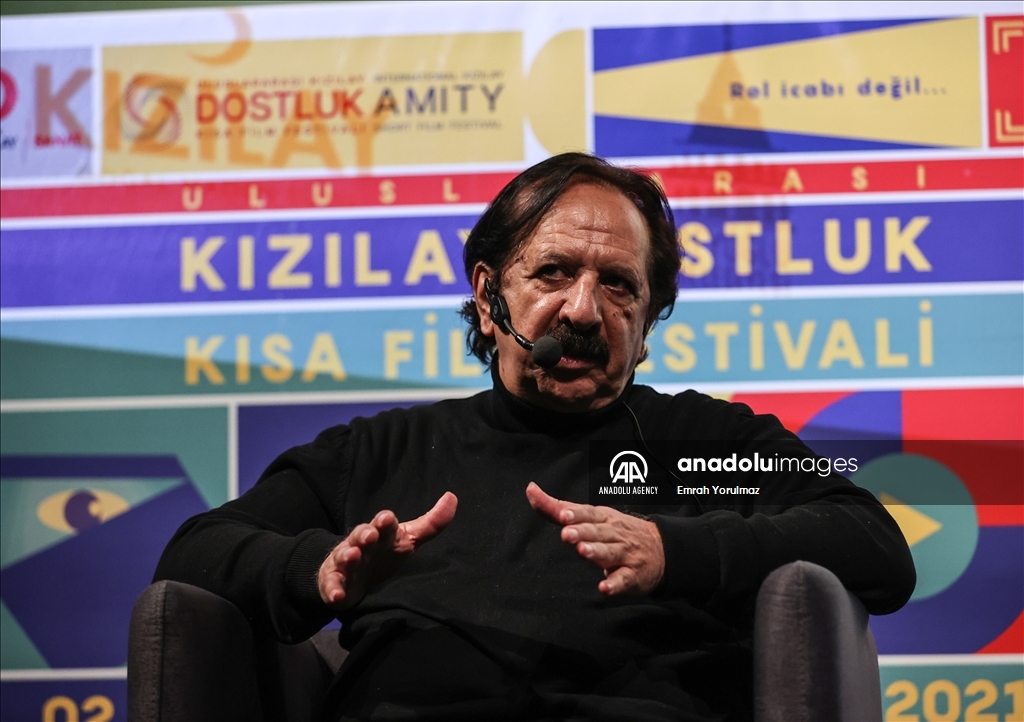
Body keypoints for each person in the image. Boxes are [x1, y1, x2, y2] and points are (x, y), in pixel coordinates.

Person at [155, 153, 915, 721]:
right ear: (490, 298)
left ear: (647, 323)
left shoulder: (701, 443)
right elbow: (194, 551)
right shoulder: (381, 452)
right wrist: (319, 569)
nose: (584, 311)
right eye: (554, 272)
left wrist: (675, 551)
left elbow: (872, 542)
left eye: (619, 284)